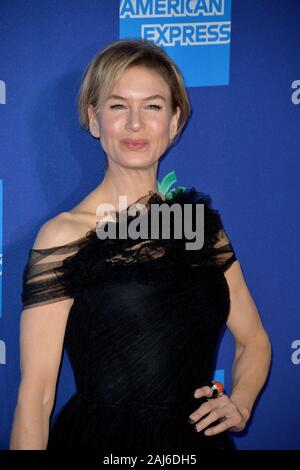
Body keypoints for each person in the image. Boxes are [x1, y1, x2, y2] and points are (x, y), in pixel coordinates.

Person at [10, 39, 271, 452]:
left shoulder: (201, 229)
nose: (135, 123)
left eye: (152, 106)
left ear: (174, 122)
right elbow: (37, 393)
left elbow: (254, 340)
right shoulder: (63, 236)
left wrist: (240, 402)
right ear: (94, 120)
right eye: (117, 106)